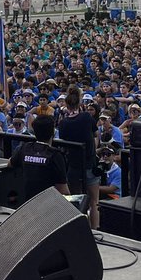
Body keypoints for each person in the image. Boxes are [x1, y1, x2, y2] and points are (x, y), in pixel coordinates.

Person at [57, 84, 100, 228]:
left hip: (73, 166)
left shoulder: (63, 123)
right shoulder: (87, 117)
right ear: (79, 103)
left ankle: (80, 230)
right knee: (94, 202)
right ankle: (94, 231)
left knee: (76, 202)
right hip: (89, 164)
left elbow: (63, 144)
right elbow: (95, 135)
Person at [7, 113, 69, 202]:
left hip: (26, 203)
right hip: (48, 205)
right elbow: (64, 191)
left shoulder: (24, 148)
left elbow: (9, 163)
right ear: (53, 132)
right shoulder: (56, 155)